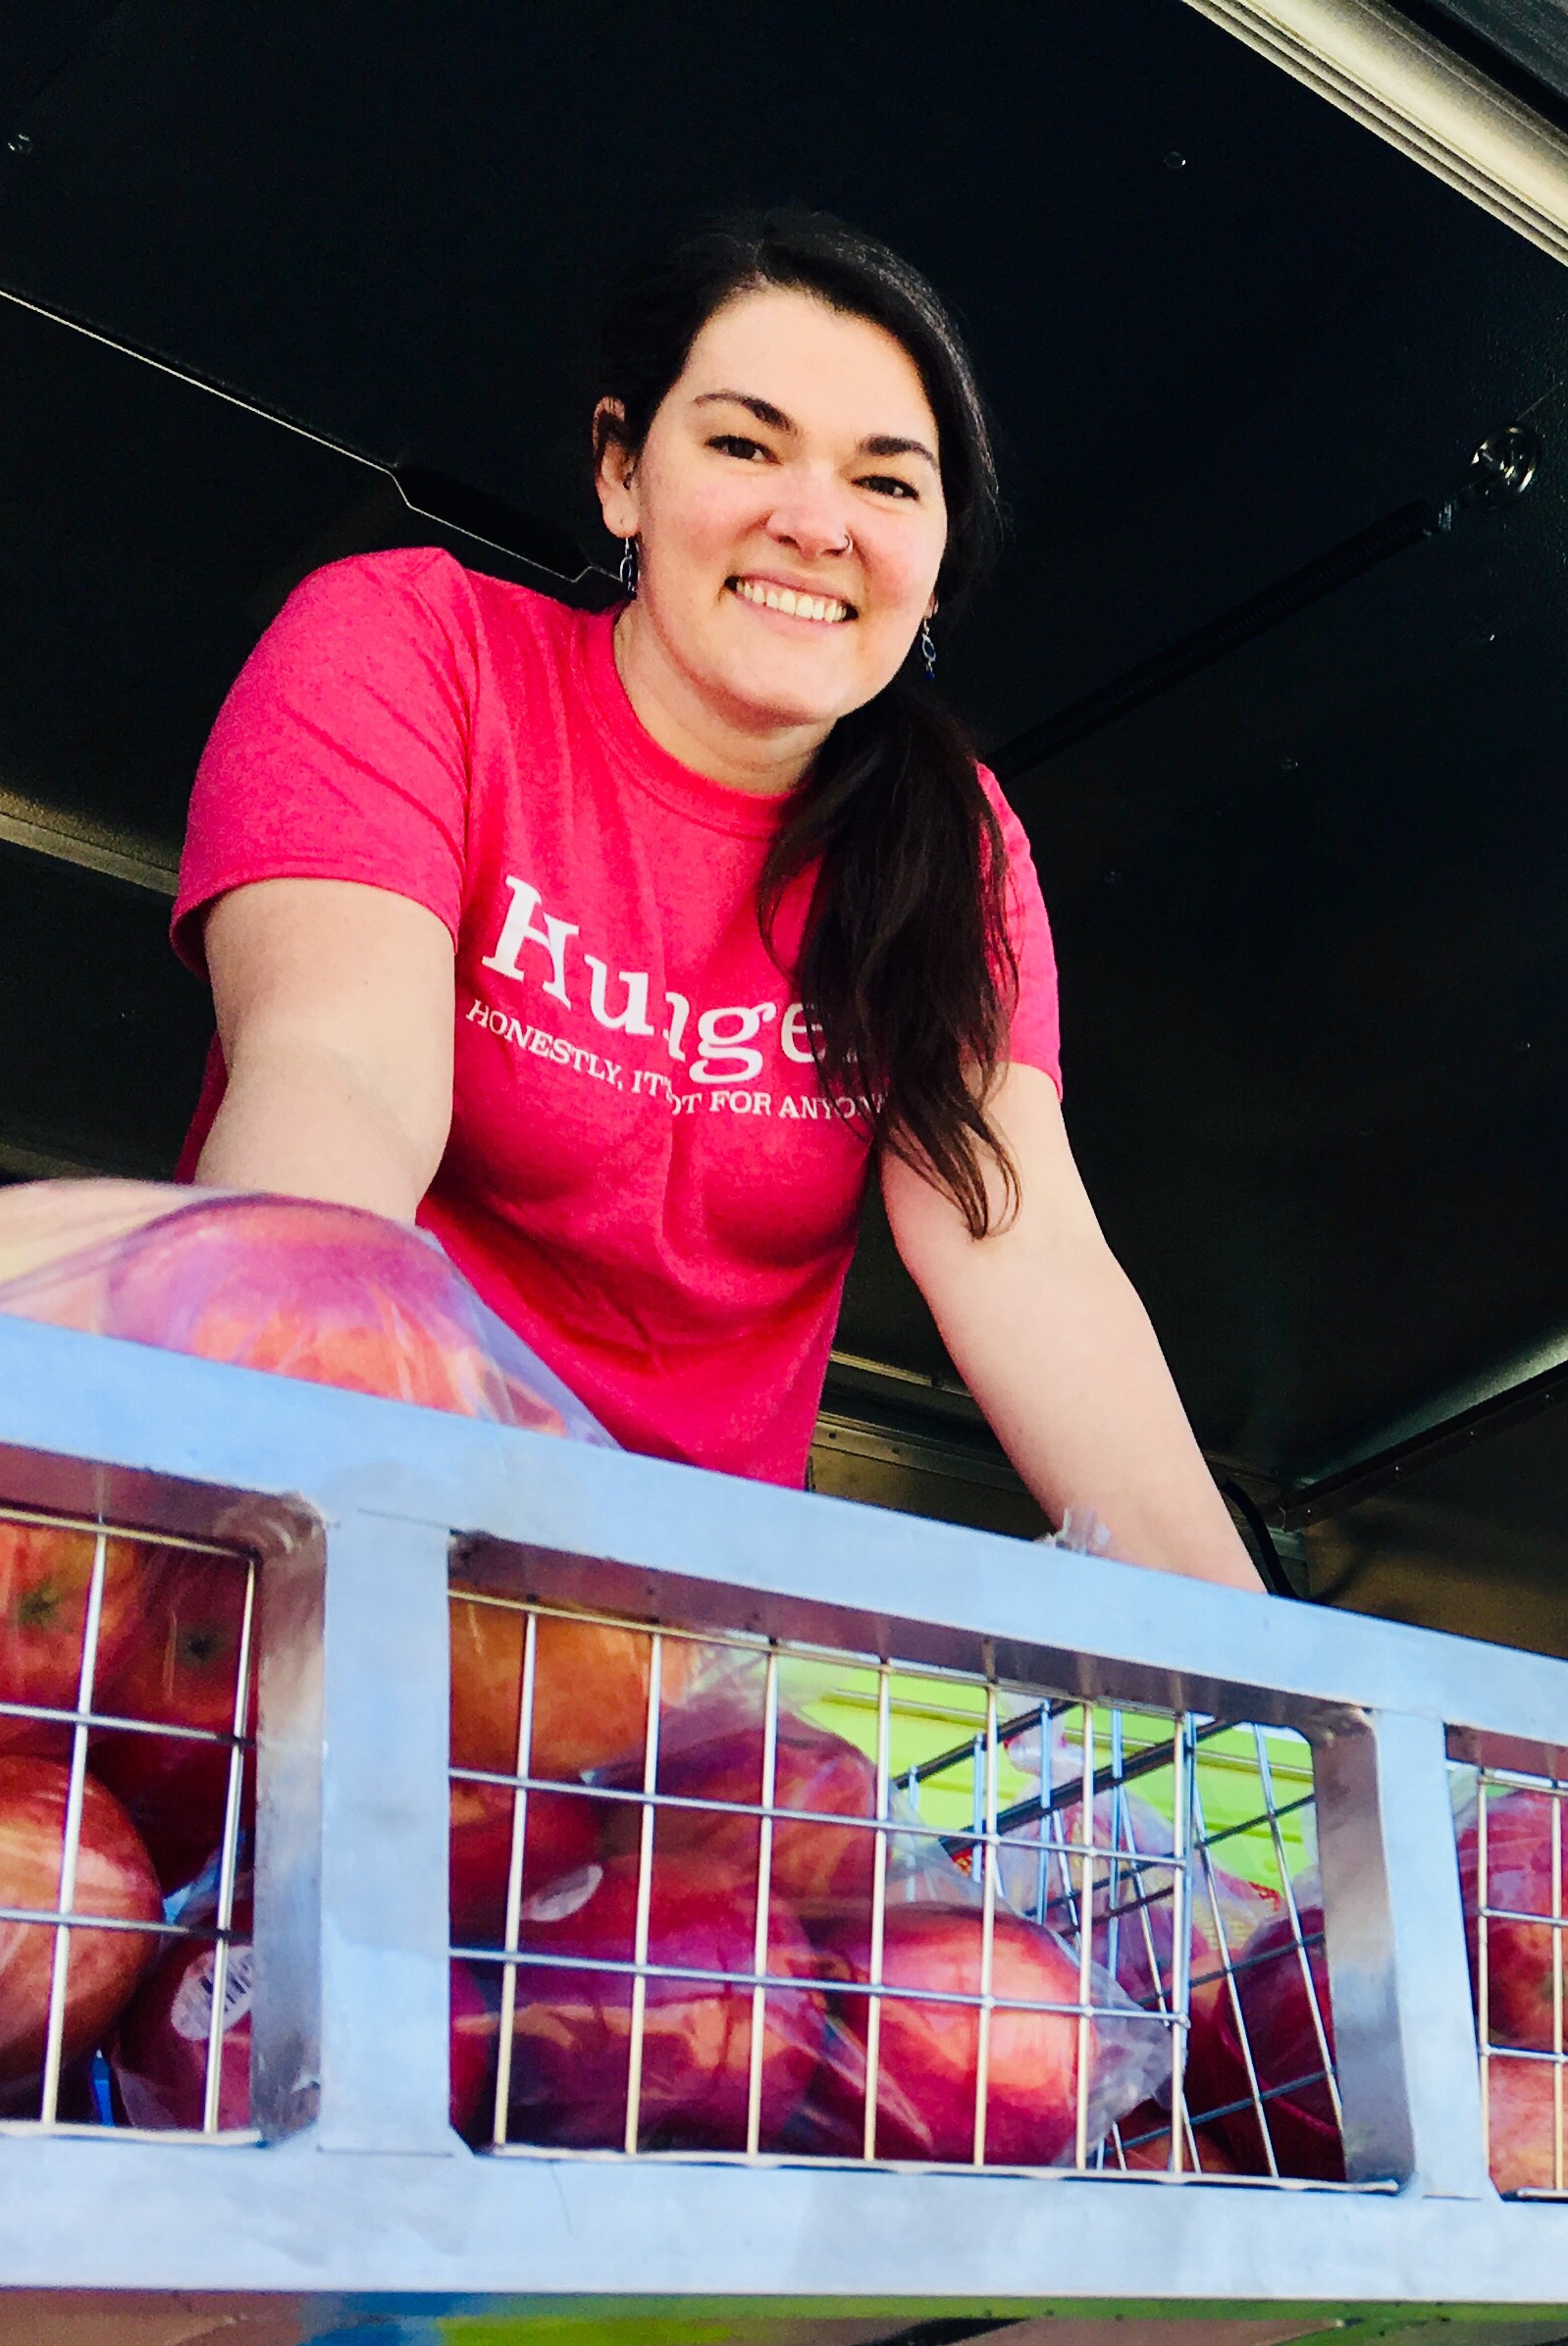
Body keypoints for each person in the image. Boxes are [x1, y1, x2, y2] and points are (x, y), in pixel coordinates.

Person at [171, 208, 1257, 1589]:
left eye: (887, 482)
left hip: (678, 1681)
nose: (812, 524)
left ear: (938, 558)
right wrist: (305, 1485)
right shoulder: (418, 652)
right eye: (743, 445)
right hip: (347, 1533)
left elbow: (1029, 1254)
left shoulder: (952, 847)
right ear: (623, 470)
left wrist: (1306, 1710)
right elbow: (340, 1078)